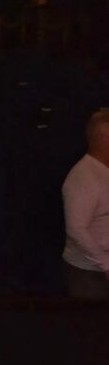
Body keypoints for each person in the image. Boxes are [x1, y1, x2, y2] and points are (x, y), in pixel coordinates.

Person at [61, 109, 109, 299]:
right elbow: (76, 229)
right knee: (93, 325)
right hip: (90, 274)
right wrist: (106, 263)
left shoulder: (103, 171)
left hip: (102, 267)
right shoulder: (82, 178)